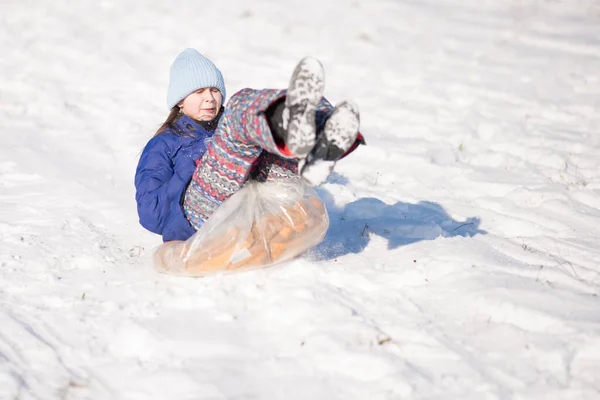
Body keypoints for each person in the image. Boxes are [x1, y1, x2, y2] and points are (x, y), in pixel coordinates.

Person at [135, 48, 364, 243]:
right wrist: (189, 172)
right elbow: (149, 213)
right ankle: (290, 118)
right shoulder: (164, 143)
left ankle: (318, 131)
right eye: (198, 92)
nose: (210, 98)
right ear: (180, 102)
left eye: (214, 90)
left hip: (246, 205)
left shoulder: (224, 129)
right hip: (197, 216)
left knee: (259, 140)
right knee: (238, 108)